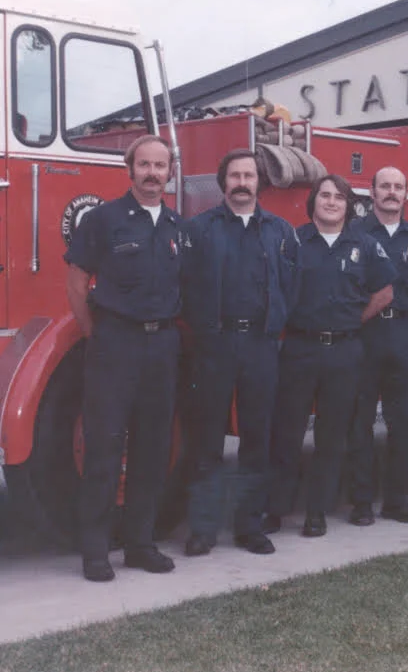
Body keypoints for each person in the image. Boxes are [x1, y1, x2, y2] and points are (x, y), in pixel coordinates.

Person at [65, 135, 182, 582]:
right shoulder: (102, 220)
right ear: (129, 170)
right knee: (104, 448)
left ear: (170, 172)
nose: (153, 173)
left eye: (161, 165)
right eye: (145, 165)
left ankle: (140, 544)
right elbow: (77, 284)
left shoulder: (175, 225)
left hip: (162, 347)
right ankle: (95, 552)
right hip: (115, 345)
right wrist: (100, 334)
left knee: (153, 450)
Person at [181, 149, 299, 557]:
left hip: (261, 346)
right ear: (223, 182)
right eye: (235, 175)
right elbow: (186, 287)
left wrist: (274, 321)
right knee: (207, 439)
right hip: (214, 345)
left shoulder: (281, 231)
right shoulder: (199, 230)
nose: (242, 181)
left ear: (259, 182)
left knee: (256, 439)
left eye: (249, 174)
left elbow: (291, 285)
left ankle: (250, 527)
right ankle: (203, 529)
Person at [265, 174, 396, 537]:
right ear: (313, 202)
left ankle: (316, 513)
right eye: (325, 196)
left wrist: (352, 320)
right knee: (287, 433)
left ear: (349, 205)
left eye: (339, 197)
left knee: (331, 436)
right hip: (299, 348)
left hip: (344, 350)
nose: (332, 202)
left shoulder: (365, 245)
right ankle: (275, 510)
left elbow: (384, 293)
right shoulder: (292, 241)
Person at [346, 167, 408, 527]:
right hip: (364, 336)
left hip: (401, 334)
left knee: (404, 423)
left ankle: (397, 501)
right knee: (359, 424)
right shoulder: (355, 234)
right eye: (385, 186)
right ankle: (362, 503)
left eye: (398, 187)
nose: (391, 192)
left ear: (406, 194)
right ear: (372, 192)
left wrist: (401, 315)